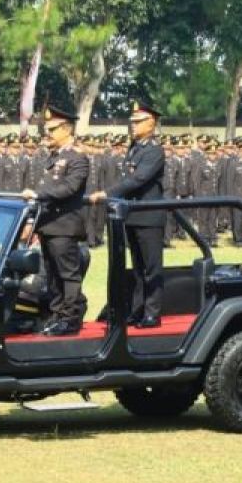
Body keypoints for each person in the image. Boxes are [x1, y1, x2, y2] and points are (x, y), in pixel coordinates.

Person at [89, 101, 166, 328]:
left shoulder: (153, 150)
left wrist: (107, 193)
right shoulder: (135, 147)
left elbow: (138, 179)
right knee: (139, 269)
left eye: (138, 122)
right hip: (133, 215)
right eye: (131, 122)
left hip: (148, 216)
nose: (133, 126)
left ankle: (153, 313)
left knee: (152, 268)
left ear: (151, 123)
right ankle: (138, 309)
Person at [21, 106, 90, 336]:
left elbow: (70, 188)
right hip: (48, 225)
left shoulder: (77, 157)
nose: (47, 134)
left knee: (68, 275)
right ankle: (57, 315)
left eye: (52, 129)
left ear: (66, 129)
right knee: (52, 275)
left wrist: (39, 195)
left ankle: (70, 318)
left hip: (65, 226)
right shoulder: (54, 157)